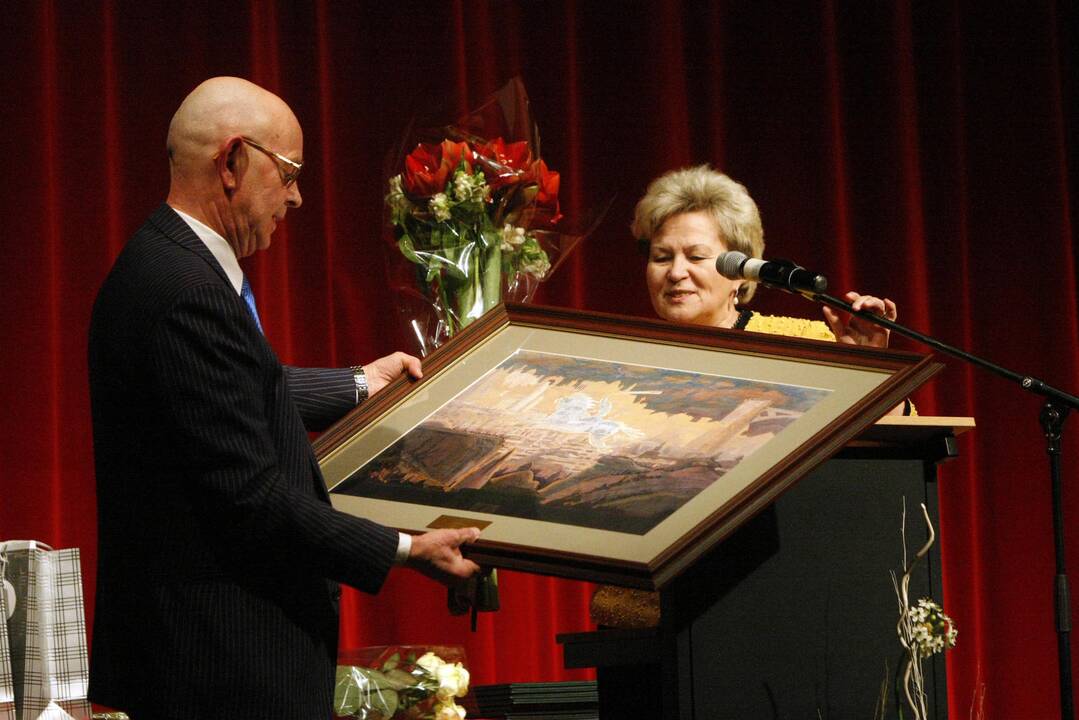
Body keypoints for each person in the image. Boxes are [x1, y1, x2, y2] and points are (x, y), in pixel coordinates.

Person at [87, 77, 481, 720]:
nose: (296, 197)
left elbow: (227, 392)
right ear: (234, 160)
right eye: (291, 172)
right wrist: (406, 549)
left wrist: (360, 385)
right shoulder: (188, 288)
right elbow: (249, 497)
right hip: (219, 667)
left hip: (199, 658)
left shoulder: (164, 262)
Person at [591, 164, 910, 628]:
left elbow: (901, 435)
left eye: (696, 257)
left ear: (741, 272)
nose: (676, 272)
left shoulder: (806, 344)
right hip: (647, 614)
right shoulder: (616, 367)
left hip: (782, 603)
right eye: (661, 257)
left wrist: (867, 368)